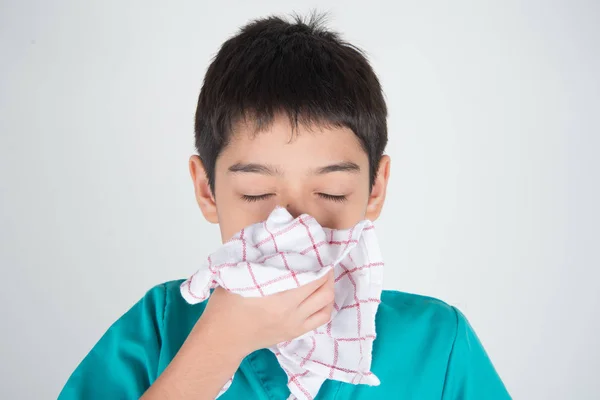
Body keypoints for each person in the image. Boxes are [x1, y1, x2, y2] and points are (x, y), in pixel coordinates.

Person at [59, 13, 510, 400]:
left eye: (331, 193)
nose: (295, 226)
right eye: (256, 194)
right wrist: (217, 344)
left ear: (375, 189)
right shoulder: (159, 328)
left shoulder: (438, 342)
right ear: (207, 190)